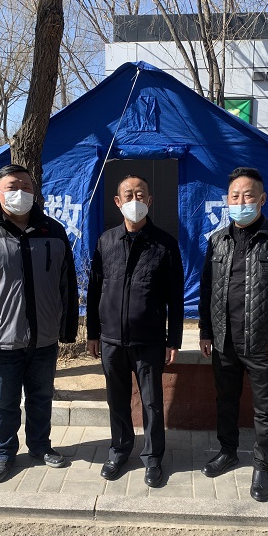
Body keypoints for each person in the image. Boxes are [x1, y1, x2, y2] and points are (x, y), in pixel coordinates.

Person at [0, 164, 78, 483]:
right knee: (3, 402)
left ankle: (40, 446)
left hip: (44, 338)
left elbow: (67, 283)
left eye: (26, 187)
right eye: (12, 187)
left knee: (41, 398)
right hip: (0, 340)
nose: (20, 193)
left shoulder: (53, 231)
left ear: (34, 193)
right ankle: (5, 452)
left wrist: (67, 329)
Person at [198, 167, 268, 502]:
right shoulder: (218, 240)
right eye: (235, 196)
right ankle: (228, 451)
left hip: (262, 342)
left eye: (248, 196)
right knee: (225, 400)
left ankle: (261, 465)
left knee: (265, 407)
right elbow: (207, 289)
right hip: (224, 339)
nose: (241, 202)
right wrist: (205, 330)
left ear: (262, 199)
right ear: (227, 200)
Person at [87, 175, 184, 488]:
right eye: (128, 195)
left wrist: (173, 339)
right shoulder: (106, 241)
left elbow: (176, 298)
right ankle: (119, 450)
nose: (134, 200)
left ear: (149, 200)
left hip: (149, 339)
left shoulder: (165, 244)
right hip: (111, 339)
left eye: (140, 194)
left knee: (152, 402)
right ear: (117, 202)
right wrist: (92, 333)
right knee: (116, 400)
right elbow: (94, 289)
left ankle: (153, 458)